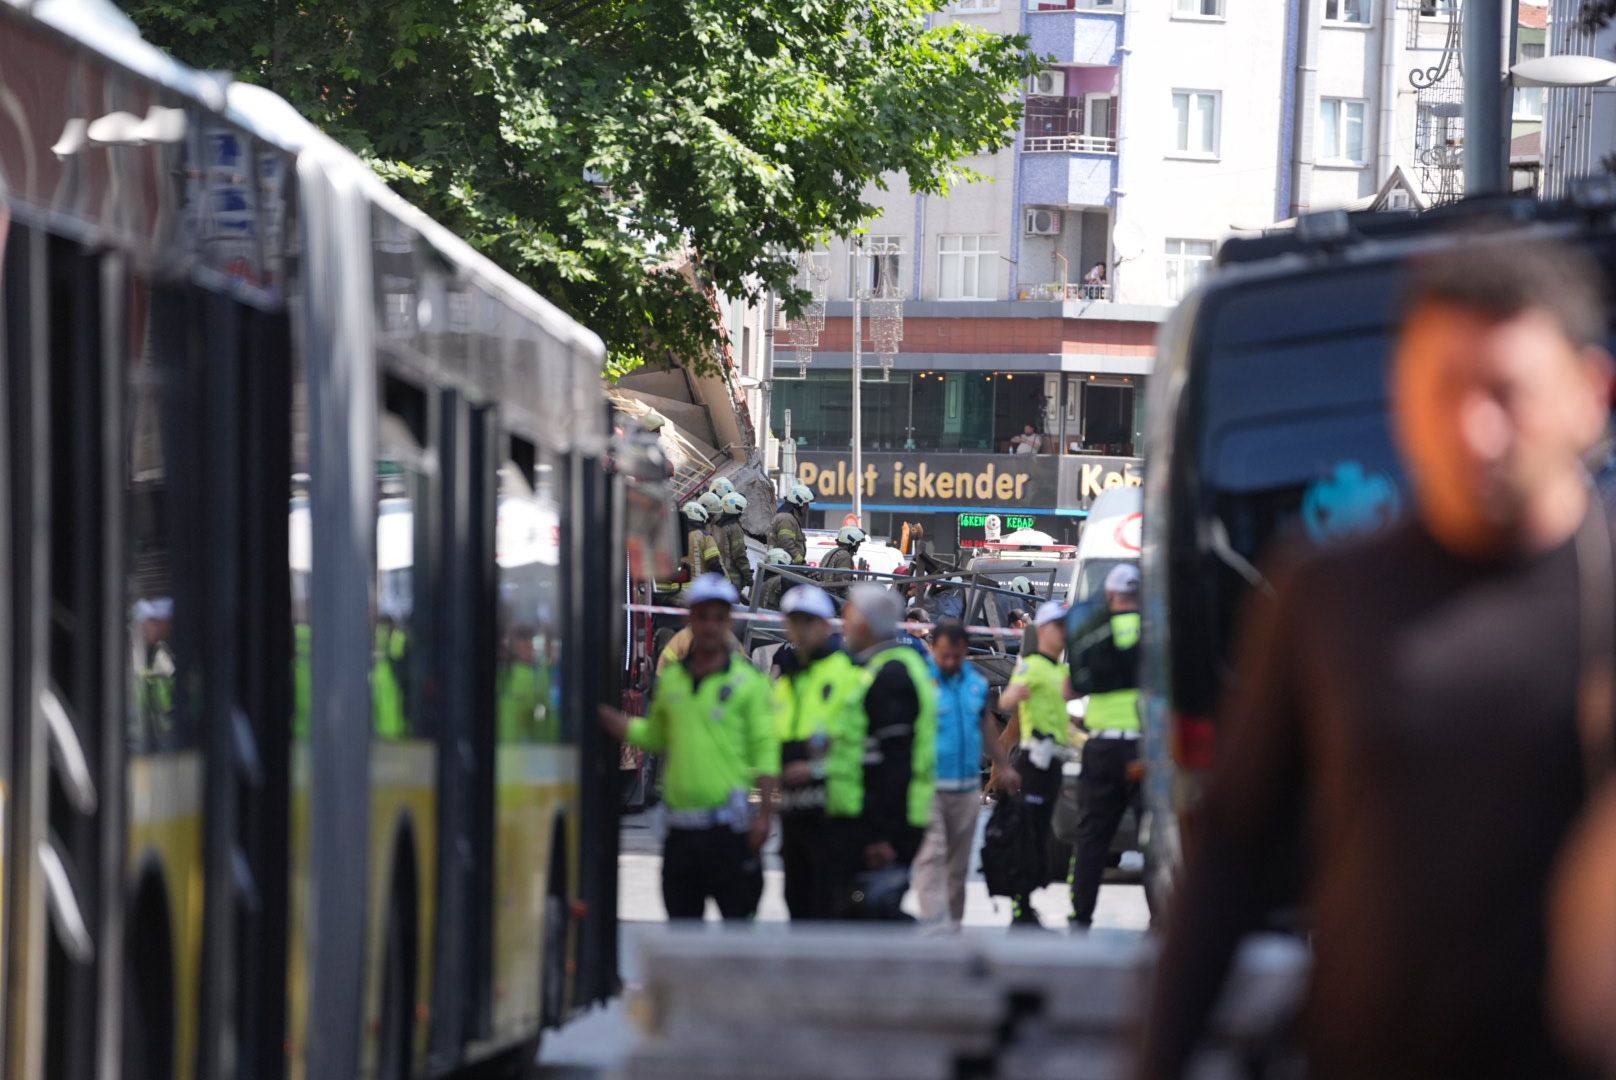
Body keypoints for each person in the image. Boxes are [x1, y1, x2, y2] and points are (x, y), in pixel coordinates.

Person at [1137, 240, 1616, 1079]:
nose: (1477, 429)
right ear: (1400, 394)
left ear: (1590, 395)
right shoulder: (1325, 592)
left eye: (1508, 391)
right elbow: (1234, 852)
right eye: (1444, 389)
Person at [599, 575, 778, 920]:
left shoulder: (749, 685)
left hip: (730, 833)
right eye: (703, 616)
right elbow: (655, 736)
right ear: (690, 620)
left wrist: (766, 815)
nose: (710, 625)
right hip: (680, 834)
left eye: (719, 617)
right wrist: (611, 720)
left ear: (728, 622)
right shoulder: (674, 681)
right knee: (682, 933)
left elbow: (765, 751)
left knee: (736, 935)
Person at [827, 584, 937, 919]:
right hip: (878, 820)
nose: (844, 624)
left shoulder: (892, 675)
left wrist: (881, 836)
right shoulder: (882, 667)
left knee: (870, 919)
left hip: (885, 827)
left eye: (850, 615)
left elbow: (894, 764)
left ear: (866, 623)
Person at [913, 619, 1020, 929]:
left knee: (958, 863)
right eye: (943, 655)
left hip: (965, 789)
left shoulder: (974, 683)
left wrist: (1003, 765)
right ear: (933, 649)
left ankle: (954, 925)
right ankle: (934, 924)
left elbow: (986, 725)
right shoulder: (920, 682)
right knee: (932, 856)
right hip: (929, 786)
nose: (949, 662)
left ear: (964, 651)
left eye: (956, 656)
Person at [772, 584, 864, 920]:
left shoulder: (850, 676)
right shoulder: (787, 681)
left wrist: (817, 769)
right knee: (797, 906)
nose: (801, 630)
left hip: (834, 817)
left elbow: (863, 747)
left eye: (809, 621)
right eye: (795, 622)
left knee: (829, 912)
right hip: (794, 815)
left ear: (826, 625)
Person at [1065, 563, 1142, 929]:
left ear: (1111, 596)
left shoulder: (1094, 633)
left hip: (1103, 749)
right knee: (1156, 839)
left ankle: (1080, 915)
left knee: (1093, 837)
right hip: (1146, 753)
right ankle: (1162, 919)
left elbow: (1071, 688)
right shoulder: (1156, 634)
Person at [995, 598, 1074, 927]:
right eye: (1058, 626)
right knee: (1026, 834)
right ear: (1042, 630)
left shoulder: (1061, 669)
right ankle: (1019, 904)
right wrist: (1017, 695)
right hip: (1034, 760)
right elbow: (1005, 699)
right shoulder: (1031, 665)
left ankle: (1028, 901)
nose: (1064, 633)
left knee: (1043, 834)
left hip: (1055, 761)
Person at [715, 491, 751, 593]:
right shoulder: (734, 527)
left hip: (718, 575)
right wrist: (748, 575)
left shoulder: (716, 523)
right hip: (731, 578)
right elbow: (739, 555)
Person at [771, 483, 815, 564]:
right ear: (799, 503)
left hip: (787, 565)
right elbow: (786, 544)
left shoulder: (788, 517)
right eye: (806, 505)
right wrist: (801, 563)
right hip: (786, 567)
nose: (807, 508)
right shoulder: (786, 518)